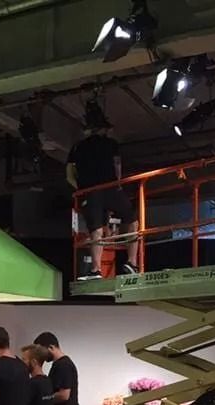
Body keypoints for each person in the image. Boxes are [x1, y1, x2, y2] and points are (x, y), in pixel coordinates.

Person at [67, 104, 139, 280]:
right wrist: (119, 185)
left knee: (96, 230)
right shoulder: (111, 143)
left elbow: (69, 174)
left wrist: (81, 190)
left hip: (90, 192)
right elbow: (117, 166)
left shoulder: (77, 147)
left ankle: (96, 270)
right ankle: (132, 262)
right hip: (110, 188)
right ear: (103, 129)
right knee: (131, 220)